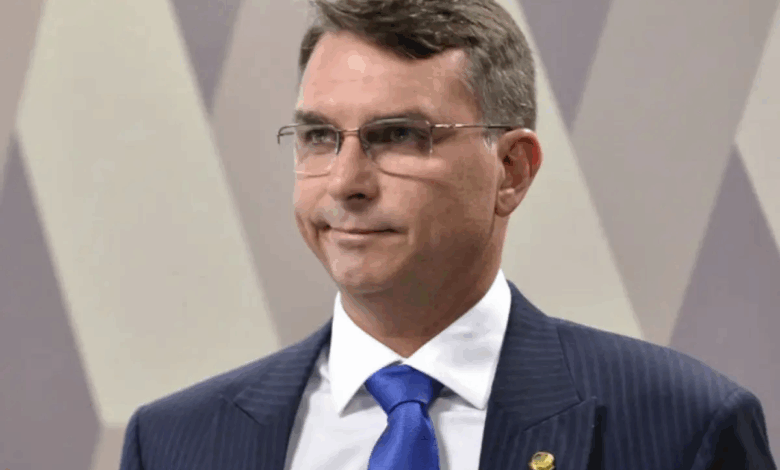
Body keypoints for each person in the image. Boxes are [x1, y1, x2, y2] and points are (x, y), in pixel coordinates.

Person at [119, 0, 776, 469]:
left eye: (398, 135)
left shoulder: (683, 428)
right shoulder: (174, 442)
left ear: (511, 171)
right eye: (319, 135)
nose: (345, 182)